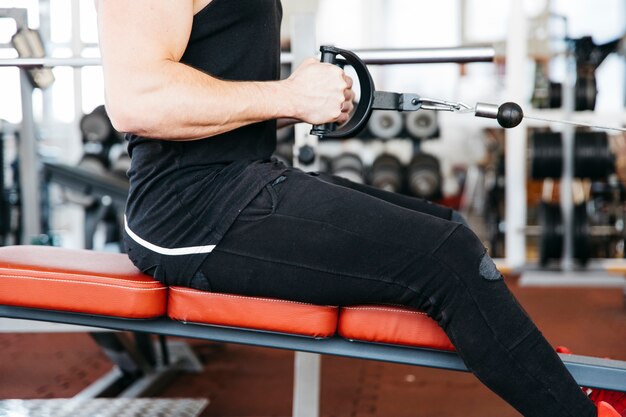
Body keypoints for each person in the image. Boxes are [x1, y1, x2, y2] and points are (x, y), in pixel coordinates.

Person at [95, 1, 622, 416]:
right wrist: (289, 97)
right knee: (448, 257)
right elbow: (138, 101)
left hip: (243, 182)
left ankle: (555, 381)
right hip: (189, 215)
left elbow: (214, 93)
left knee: (450, 229)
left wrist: (306, 100)